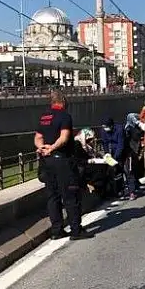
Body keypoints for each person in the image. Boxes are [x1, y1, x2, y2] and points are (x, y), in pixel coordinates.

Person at [35, 90, 93, 241]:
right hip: (62, 161)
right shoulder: (64, 116)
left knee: (52, 197)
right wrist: (53, 147)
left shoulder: (44, 117)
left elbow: (38, 137)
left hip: (46, 162)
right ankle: (75, 230)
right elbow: (65, 137)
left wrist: (42, 148)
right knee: (70, 195)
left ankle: (57, 231)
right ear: (63, 101)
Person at [99, 117, 125, 197]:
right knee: (110, 171)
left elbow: (121, 145)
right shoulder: (103, 130)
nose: (105, 129)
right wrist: (107, 154)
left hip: (120, 149)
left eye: (106, 127)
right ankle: (112, 190)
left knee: (120, 169)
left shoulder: (119, 129)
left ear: (111, 125)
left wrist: (116, 157)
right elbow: (105, 143)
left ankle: (121, 188)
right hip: (111, 149)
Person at [123, 113, 145, 200]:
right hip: (131, 151)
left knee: (136, 167)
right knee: (131, 169)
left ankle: (136, 184)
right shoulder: (128, 128)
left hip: (136, 149)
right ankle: (132, 189)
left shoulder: (134, 127)